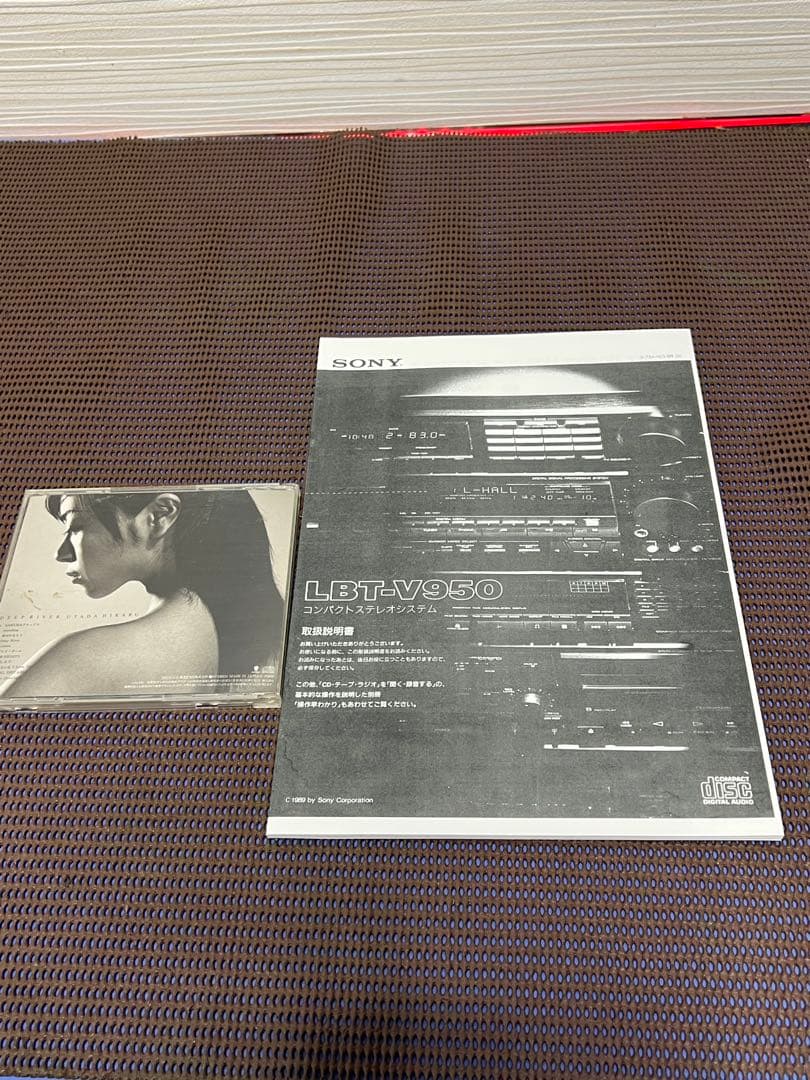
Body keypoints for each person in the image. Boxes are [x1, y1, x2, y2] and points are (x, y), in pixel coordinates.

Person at [0, 488, 283, 699]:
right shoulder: (265, 635)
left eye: (75, 526)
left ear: (158, 516)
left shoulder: (83, 659)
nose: (61, 553)